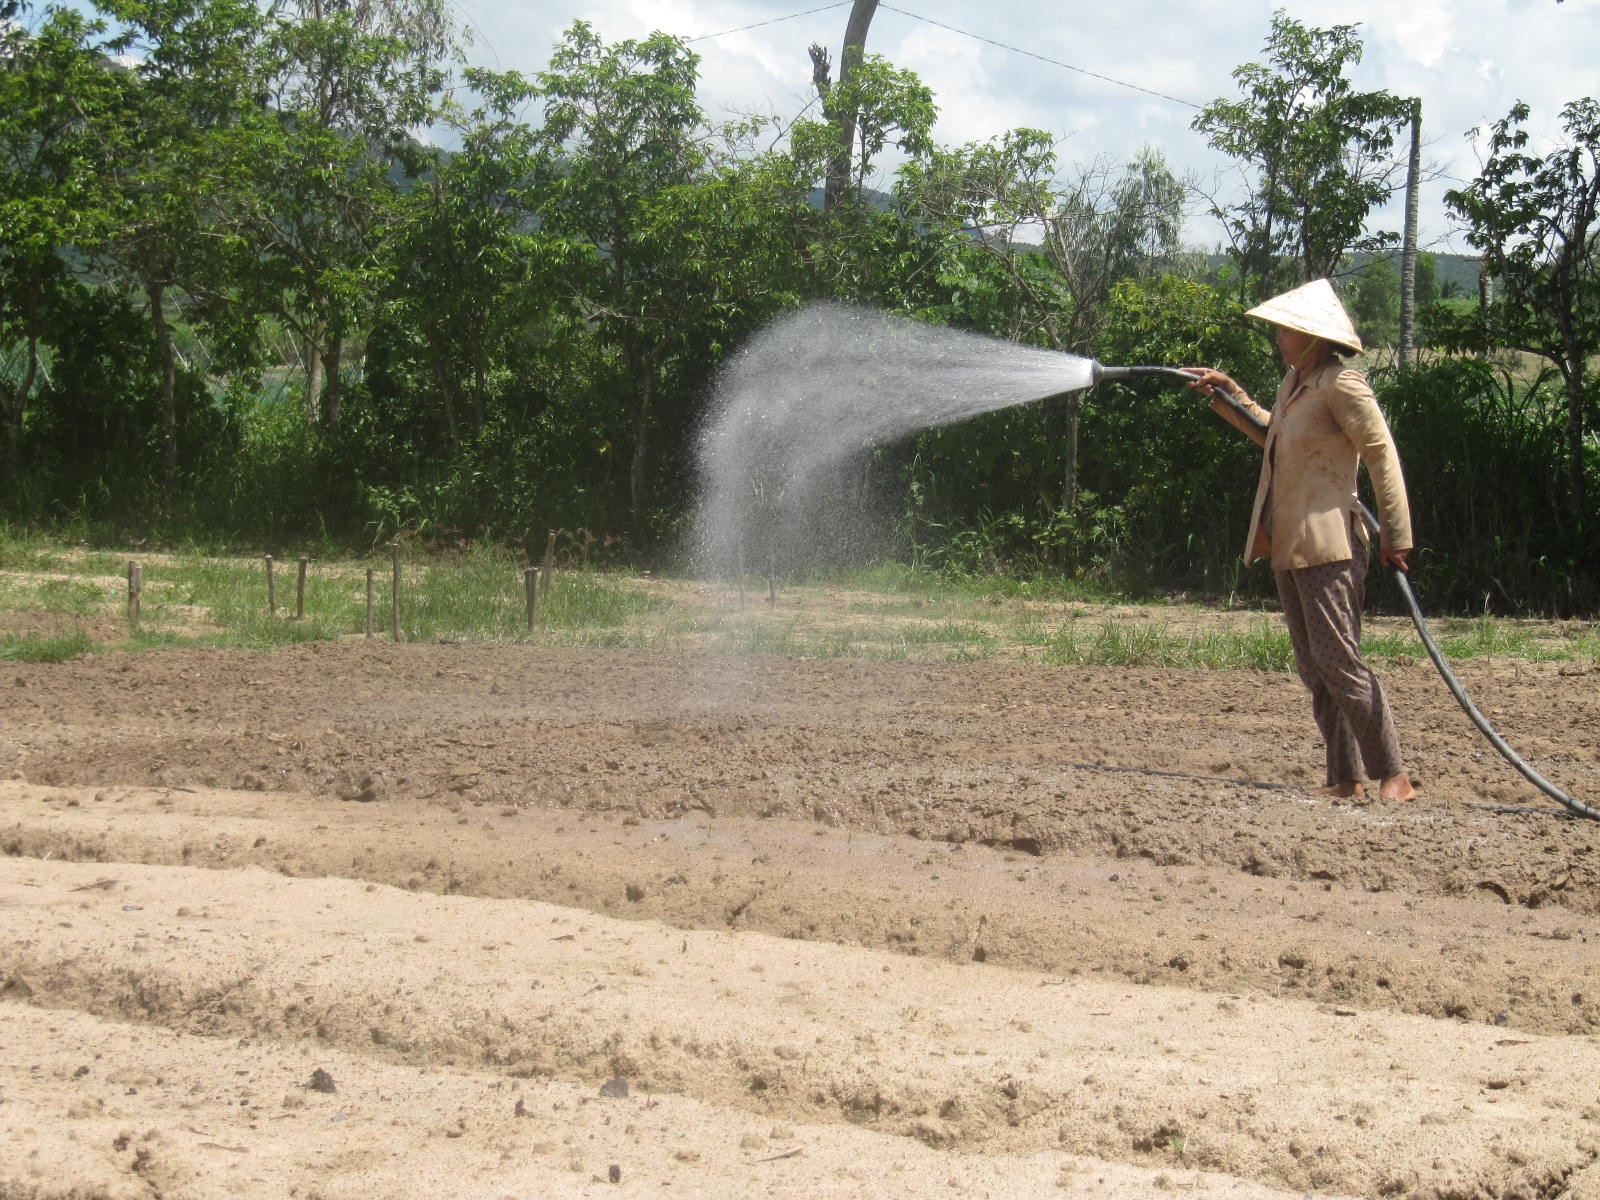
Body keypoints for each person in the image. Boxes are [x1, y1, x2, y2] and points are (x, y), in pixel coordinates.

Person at [1185, 278, 1417, 802]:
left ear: (1312, 337)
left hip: (1331, 545)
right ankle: (1344, 779)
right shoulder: (1295, 386)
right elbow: (1276, 436)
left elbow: (1381, 455)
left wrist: (1396, 536)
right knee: (1315, 669)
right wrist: (1229, 393)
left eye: (1285, 332)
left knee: (1341, 663)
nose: (1279, 340)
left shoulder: (1342, 385)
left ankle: (1393, 776)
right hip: (1290, 544)